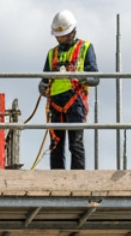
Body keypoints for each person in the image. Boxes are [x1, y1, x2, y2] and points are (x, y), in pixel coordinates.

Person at [38, 10, 99, 170]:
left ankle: (77, 180)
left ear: (72, 32)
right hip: (55, 103)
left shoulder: (85, 48)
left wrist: (82, 77)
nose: (59, 38)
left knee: (75, 144)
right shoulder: (52, 53)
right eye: (57, 36)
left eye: (62, 35)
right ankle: (57, 179)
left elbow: (95, 77)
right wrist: (42, 86)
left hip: (75, 102)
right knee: (56, 144)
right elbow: (45, 79)